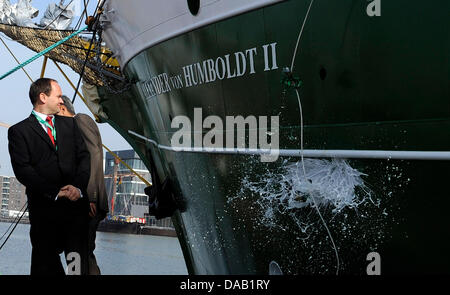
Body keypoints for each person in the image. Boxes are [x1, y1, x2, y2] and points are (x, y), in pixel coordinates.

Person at [8, 78, 91, 275]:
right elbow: (23, 170)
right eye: (59, 96)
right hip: (44, 211)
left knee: (76, 267)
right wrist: (55, 192)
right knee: (44, 265)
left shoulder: (71, 125)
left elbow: (84, 157)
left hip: (74, 210)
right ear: (43, 97)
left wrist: (77, 188)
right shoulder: (19, 132)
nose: (62, 101)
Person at [58, 95, 109, 275]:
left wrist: (90, 197)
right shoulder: (70, 130)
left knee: (82, 252)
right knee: (77, 253)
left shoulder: (80, 120)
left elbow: (93, 155)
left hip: (88, 202)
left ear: (62, 108)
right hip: (80, 202)